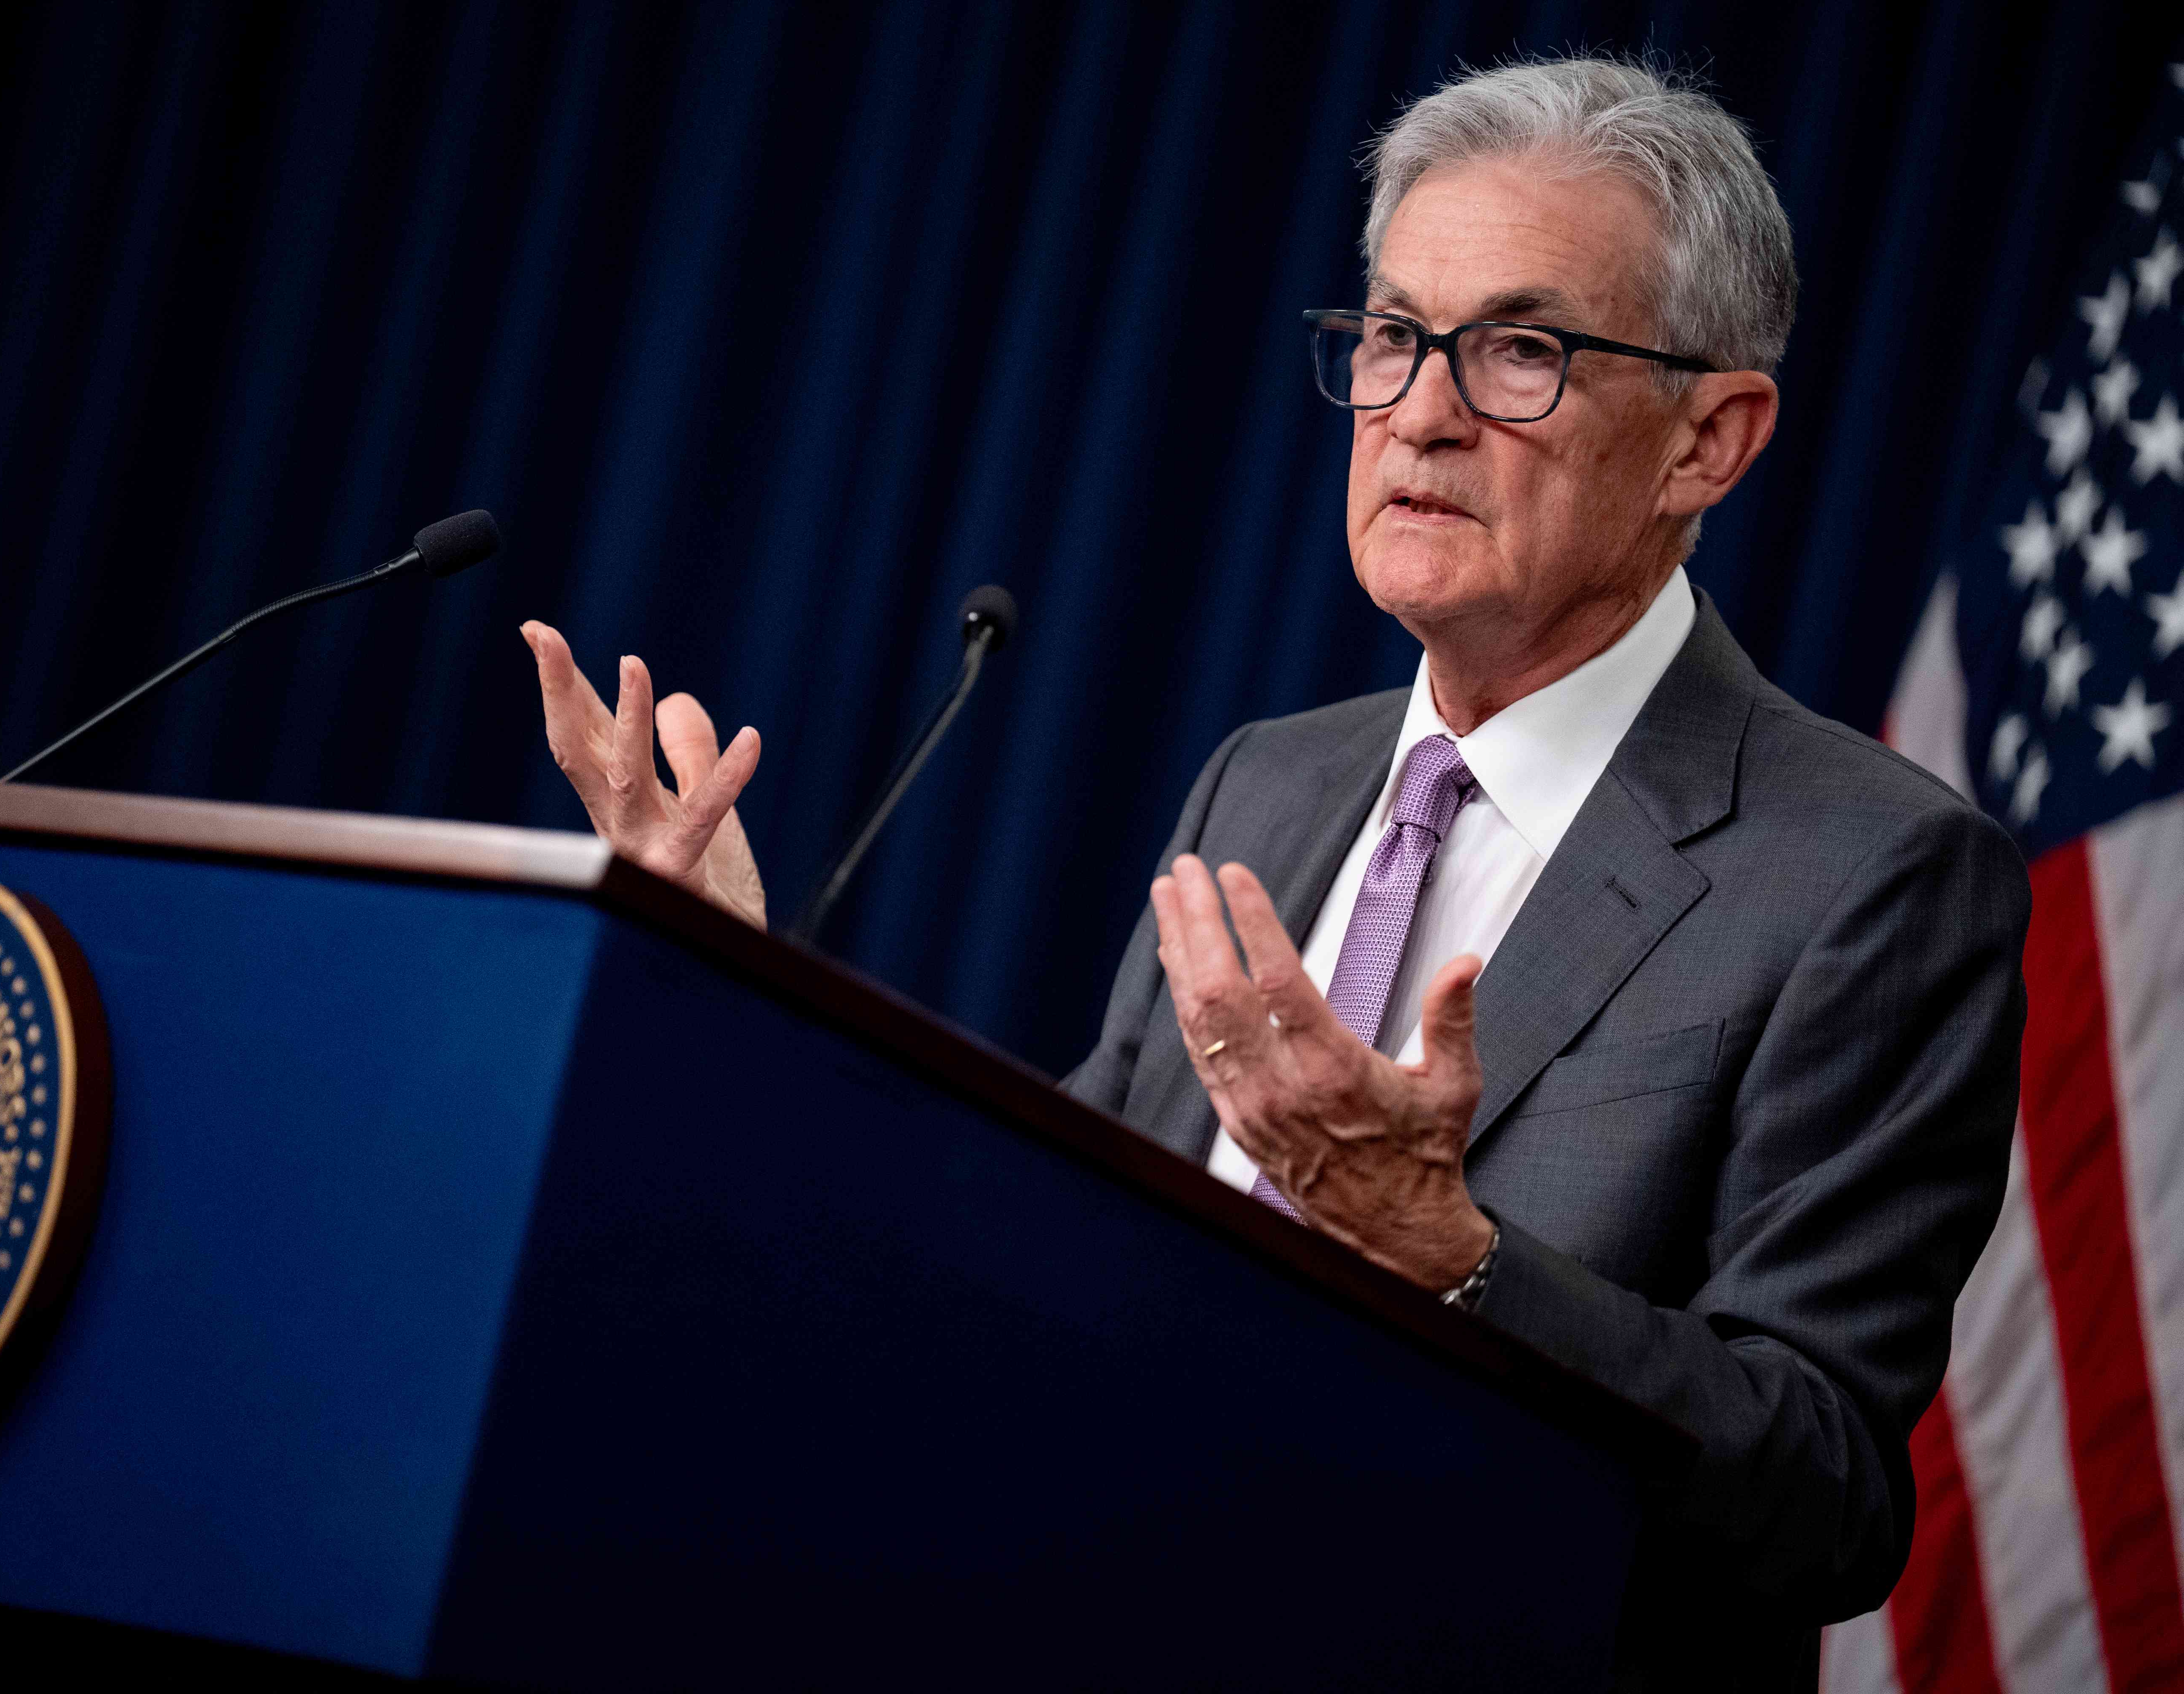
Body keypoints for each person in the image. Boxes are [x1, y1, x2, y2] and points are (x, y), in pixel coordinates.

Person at [518, 55, 2026, 1691]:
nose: (1423, 412)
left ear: (1708, 442)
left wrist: (1450, 1255)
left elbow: (1822, 1497)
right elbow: (1037, 1230)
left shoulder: (1870, 872)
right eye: (1391, 337)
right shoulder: (1275, 776)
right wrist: (743, 994)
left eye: (1522, 350)